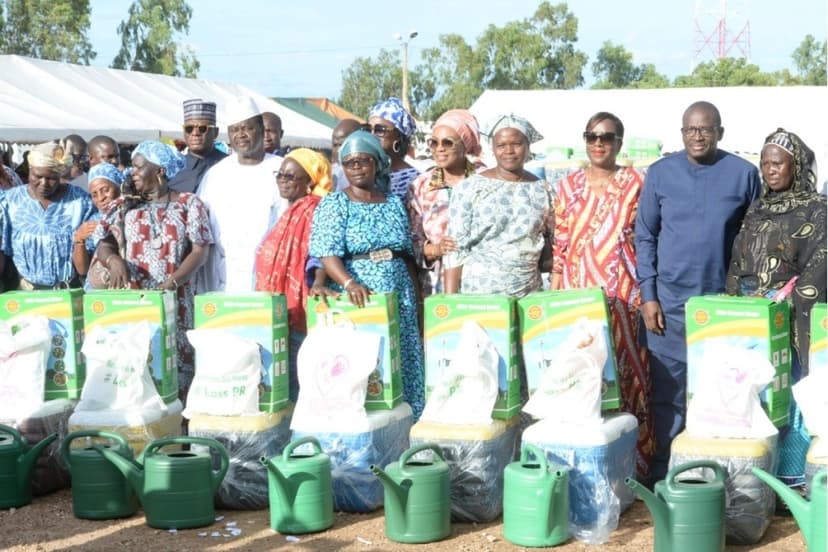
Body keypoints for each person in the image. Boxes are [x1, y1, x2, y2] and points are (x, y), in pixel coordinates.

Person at [635, 101, 761, 480]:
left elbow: (755, 238)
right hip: (669, 305)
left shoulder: (743, 174)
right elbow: (645, 236)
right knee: (668, 395)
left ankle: (720, 474)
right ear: (682, 133)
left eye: (706, 129)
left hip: (723, 305)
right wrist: (649, 295)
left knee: (724, 393)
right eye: (690, 129)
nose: (698, 136)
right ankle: (665, 475)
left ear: (720, 132)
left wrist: (748, 299)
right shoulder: (660, 174)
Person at [551, 111, 653, 481]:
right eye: (592, 136)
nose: (598, 143)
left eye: (606, 137)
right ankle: (583, 467)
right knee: (583, 373)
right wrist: (557, 296)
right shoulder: (567, 186)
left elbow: (646, 238)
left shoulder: (635, 183)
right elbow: (560, 246)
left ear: (619, 144)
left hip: (623, 293)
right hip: (579, 294)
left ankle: (633, 468)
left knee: (628, 375)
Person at [309, 130, 425, 418]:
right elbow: (326, 251)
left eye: (363, 161)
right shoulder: (336, 203)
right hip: (361, 295)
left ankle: (409, 427)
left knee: (405, 355)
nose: (356, 168)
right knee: (367, 360)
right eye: (349, 163)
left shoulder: (394, 203)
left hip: (400, 293)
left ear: (377, 163)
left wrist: (418, 298)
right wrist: (349, 283)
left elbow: (407, 255)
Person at [92, 140, 213, 398]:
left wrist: (172, 282)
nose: (131, 173)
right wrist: (114, 261)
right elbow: (102, 243)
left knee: (177, 374)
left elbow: (200, 251)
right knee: (137, 374)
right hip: (134, 307)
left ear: (159, 171)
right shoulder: (125, 206)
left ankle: (176, 434)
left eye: (138, 168)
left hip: (177, 304)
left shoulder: (189, 204)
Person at [727, 128, 827, 374]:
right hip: (750, 316)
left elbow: (819, 265)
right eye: (764, 163)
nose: (769, 170)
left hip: (787, 316)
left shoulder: (817, 210)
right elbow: (738, 259)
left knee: (785, 388)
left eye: (777, 163)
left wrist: (778, 302)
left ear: (796, 166)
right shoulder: (758, 208)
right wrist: (734, 303)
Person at [254, 148, 335, 401]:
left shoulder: (314, 209)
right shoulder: (285, 210)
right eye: (280, 175)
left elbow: (320, 251)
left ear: (310, 181)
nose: (283, 181)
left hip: (300, 309)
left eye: (291, 177)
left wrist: (318, 280)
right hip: (278, 307)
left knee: (299, 382)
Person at [443, 114, 553, 298]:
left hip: (528, 296)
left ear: (527, 147)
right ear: (492, 149)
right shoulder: (470, 188)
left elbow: (551, 245)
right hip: (479, 296)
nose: (509, 151)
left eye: (517, 144)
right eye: (501, 145)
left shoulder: (544, 190)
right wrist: (450, 301)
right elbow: (455, 249)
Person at [197, 95, 285, 292]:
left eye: (247, 128)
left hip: (269, 272)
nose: (241, 135)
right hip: (223, 275)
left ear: (261, 130)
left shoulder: (281, 169)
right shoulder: (215, 175)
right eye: (235, 130)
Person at [407, 108, 483, 295]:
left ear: (465, 145)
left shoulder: (485, 181)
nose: (439, 148)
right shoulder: (421, 187)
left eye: (447, 143)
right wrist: (437, 249)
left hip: (480, 281)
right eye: (434, 143)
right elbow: (410, 241)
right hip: (436, 286)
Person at [0, 142, 95, 289]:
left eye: (51, 178)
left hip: (70, 290)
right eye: (37, 176)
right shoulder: (10, 202)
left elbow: (87, 261)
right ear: (29, 170)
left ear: (60, 175)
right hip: (24, 291)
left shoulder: (80, 202)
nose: (44, 183)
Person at [72, 162, 123, 281]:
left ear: (119, 187)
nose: (101, 198)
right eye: (94, 195)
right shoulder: (93, 222)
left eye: (105, 190)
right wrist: (80, 240)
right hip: (99, 292)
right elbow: (82, 270)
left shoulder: (132, 215)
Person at [168, 99, 227, 194]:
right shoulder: (174, 168)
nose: (195, 133)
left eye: (202, 128)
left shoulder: (229, 166)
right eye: (189, 129)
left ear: (215, 132)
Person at [366, 97, 420, 202]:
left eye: (379, 130)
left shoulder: (416, 181)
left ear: (398, 136)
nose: (372, 135)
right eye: (368, 129)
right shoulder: (363, 175)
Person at [331, 118, 363, 191]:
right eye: (335, 145)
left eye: (342, 144)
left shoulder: (369, 173)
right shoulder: (331, 174)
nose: (338, 150)